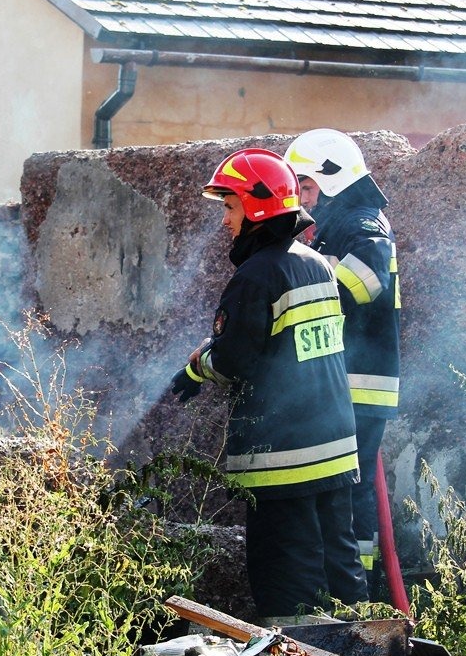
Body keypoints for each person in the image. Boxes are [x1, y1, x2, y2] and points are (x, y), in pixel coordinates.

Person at [169, 147, 368, 619]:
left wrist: (198, 368)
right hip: (334, 448)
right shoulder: (316, 265)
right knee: (341, 570)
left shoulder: (256, 275)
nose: (225, 221)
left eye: (230, 206)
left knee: (288, 581)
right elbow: (285, 341)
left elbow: (238, 358)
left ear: (256, 208)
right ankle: (364, 654)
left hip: (285, 459)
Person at [285, 129, 401, 587]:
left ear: (333, 182)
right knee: (341, 492)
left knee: (350, 494)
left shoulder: (362, 222)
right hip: (345, 381)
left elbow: (366, 279)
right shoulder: (339, 223)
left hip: (359, 382)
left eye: (307, 187)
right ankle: (347, 588)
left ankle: (360, 596)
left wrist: (302, 276)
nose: (302, 200)